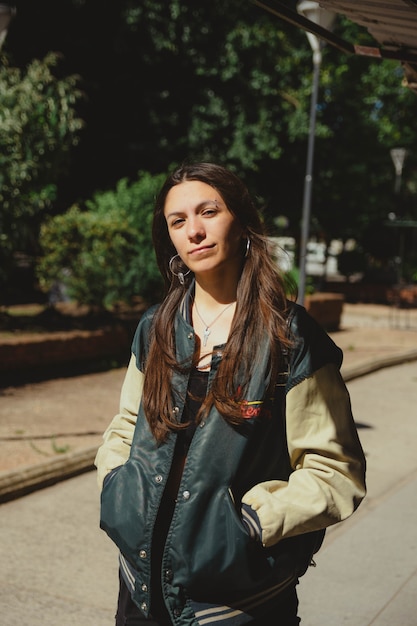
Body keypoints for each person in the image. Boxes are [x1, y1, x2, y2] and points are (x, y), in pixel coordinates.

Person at [95, 162, 366, 626]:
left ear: (241, 221)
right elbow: (126, 425)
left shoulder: (291, 339)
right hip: (139, 590)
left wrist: (251, 524)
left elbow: (333, 472)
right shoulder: (157, 327)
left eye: (208, 212)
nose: (194, 231)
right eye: (178, 221)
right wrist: (116, 485)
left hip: (234, 606)